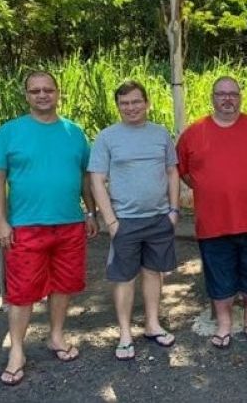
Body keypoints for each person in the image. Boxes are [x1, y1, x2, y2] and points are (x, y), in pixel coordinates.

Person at [0, 70, 98, 385]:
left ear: (57, 93)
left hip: (69, 225)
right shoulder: (10, 131)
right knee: (22, 293)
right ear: (27, 96)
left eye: (48, 89)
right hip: (25, 226)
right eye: (35, 91)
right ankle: (17, 351)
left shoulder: (74, 132)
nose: (42, 95)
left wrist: (91, 212)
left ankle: (56, 336)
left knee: (63, 285)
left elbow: (86, 177)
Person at [176, 76, 247, 349]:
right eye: (221, 94)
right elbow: (183, 171)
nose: (227, 99)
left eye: (233, 94)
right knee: (219, 273)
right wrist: (209, 188)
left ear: (240, 97)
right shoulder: (194, 133)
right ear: (213, 98)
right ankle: (224, 323)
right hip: (214, 220)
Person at [88, 81, 180, 360]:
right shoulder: (107, 137)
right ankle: (125, 334)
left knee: (153, 272)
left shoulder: (160, 134)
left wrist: (174, 211)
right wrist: (111, 221)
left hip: (159, 218)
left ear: (147, 102)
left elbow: (172, 172)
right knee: (124, 277)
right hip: (125, 221)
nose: (131, 108)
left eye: (136, 101)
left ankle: (152, 324)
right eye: (124, 103)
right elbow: (96, 180)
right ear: (118, 106)